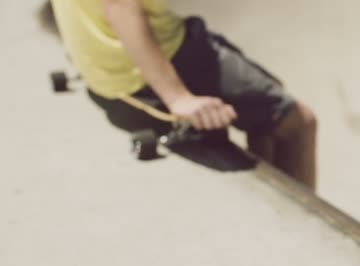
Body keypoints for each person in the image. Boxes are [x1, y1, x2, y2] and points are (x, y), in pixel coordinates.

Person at [49, 0, 317, 190]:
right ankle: (307, 235)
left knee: (266, 93)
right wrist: (177, 97)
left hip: (100, 59)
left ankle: (273, 198)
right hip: (141, 62)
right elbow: (120, 5)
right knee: (297, 122)